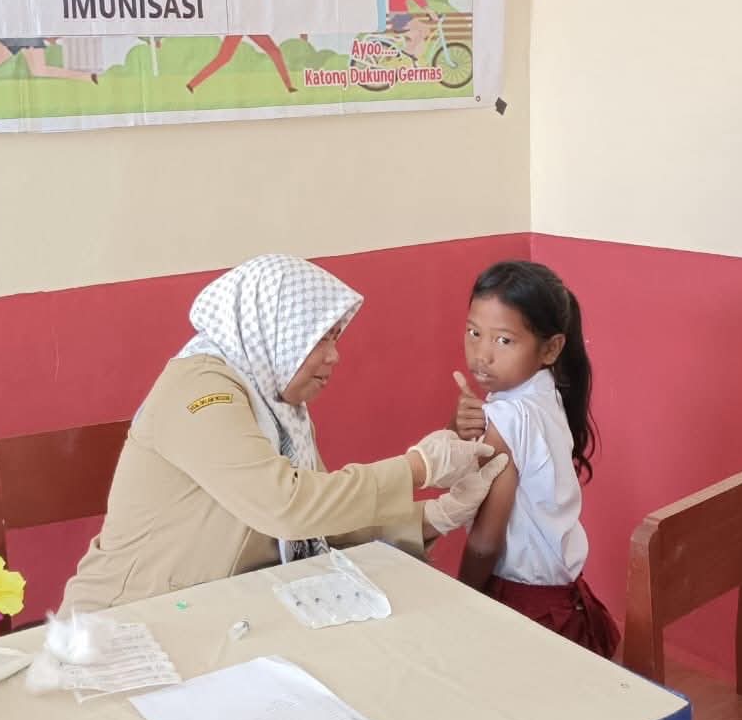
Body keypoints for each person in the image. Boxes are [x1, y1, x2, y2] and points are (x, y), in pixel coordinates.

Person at [60, 255, 508, 613]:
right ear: (276, 331)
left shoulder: (278, 404)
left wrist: (437, 516)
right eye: (320, 339)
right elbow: (286, 506)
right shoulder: (199, 388)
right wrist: (417, 468)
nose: (334, 357)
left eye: (336, 338)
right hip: (132, 617)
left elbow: (322, 516)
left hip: (217, 609)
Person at [449, 260, 619, 657]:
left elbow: (484, 544)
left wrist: (459, 600)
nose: (482, 355)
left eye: (504, 341)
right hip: (565, 596)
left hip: (524, 607)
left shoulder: (506, 419)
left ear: (551, 348)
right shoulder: (545, 391)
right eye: (474, 333)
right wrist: (458, 425)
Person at [185, 0, 297, 95]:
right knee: (229, 57)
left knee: (228, 57)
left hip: (247, 21)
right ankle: (192, 84)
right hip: (243, 21)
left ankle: (289, 86)